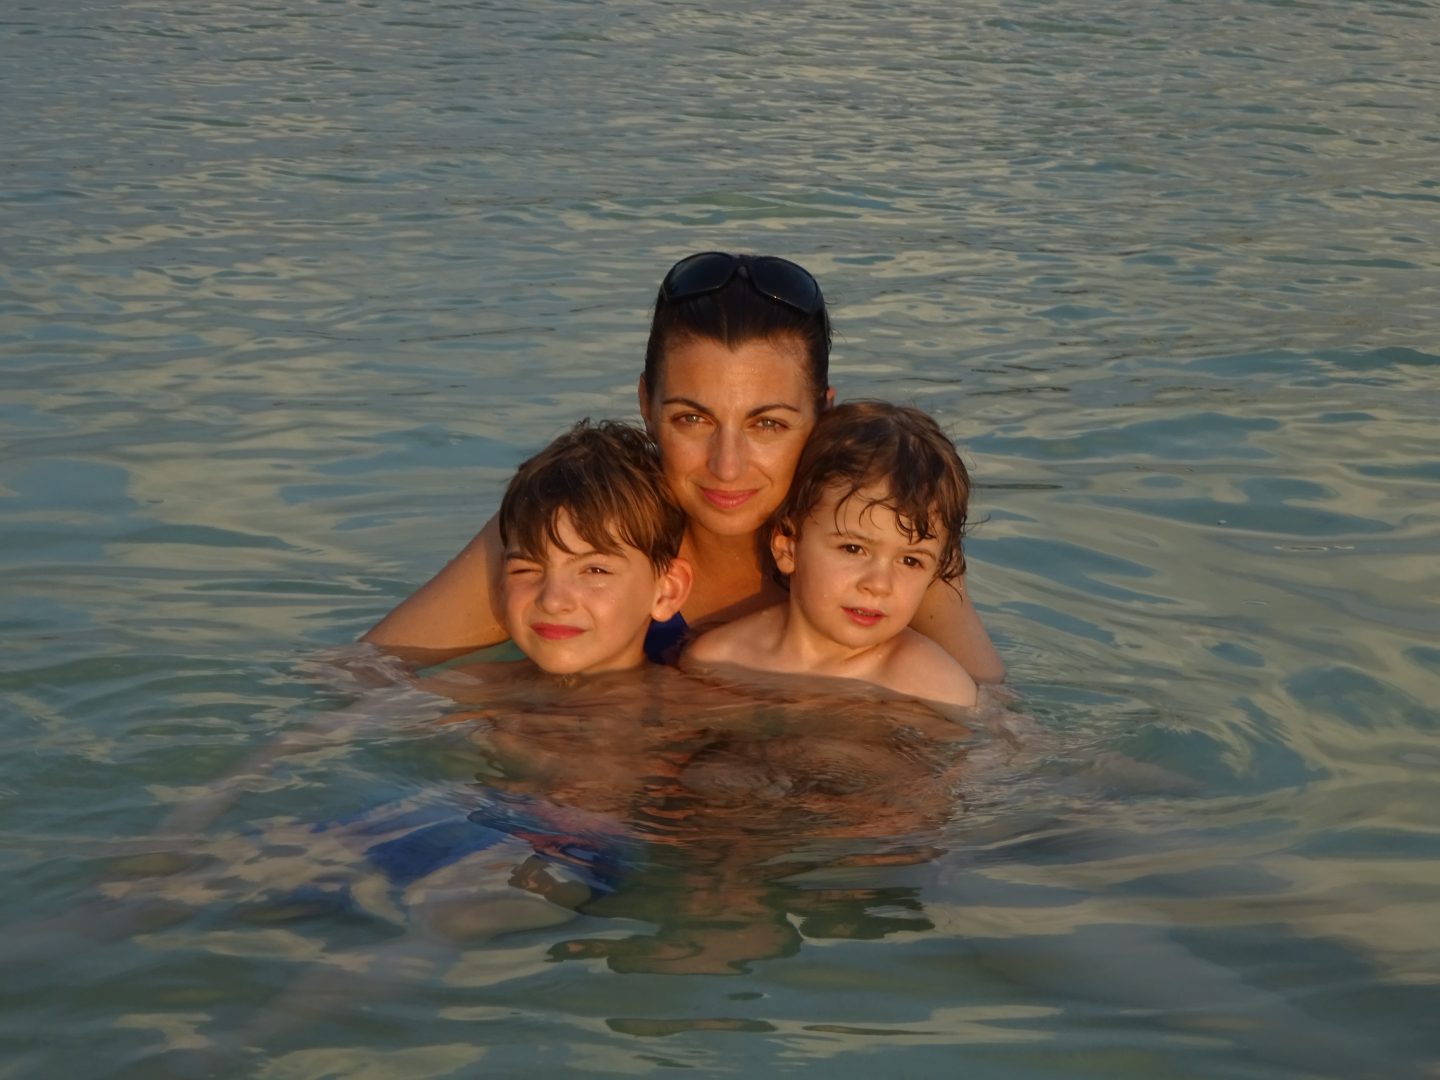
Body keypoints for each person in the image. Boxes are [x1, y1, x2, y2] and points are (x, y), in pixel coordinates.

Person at [362, 251, 1004, 683]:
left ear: (822, 414)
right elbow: (370, 676)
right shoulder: (576, 530)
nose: (727, 466)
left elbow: (993, 725)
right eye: (690, 419)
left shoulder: (882, 547)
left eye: (768, 424)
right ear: (646, 405)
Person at [682, 401, 979, 708]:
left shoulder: (931, 685)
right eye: (853, 548)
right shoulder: (718, 659)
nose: (878, 584)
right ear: (787, 546)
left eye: (910, 560)